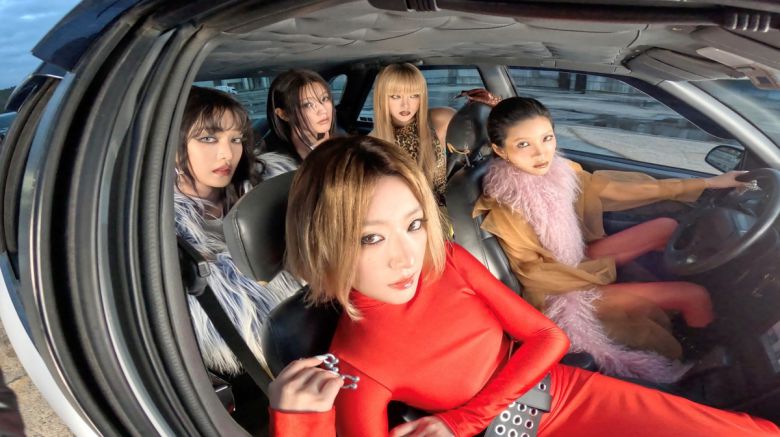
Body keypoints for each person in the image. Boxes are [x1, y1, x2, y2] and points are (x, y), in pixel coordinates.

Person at [269, 135, 778, 437]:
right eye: (371, 237)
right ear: (324, 241)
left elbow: (549, 338)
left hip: (568, 391)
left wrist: (464, 420)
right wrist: (294, 421)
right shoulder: (355, 366)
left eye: (414, 224)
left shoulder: (447, 260)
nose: (406, 257)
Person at [473, 96, 747, 382]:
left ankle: (670, 302)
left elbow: (617, 189)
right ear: (500, 150)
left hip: (574, 262)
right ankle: (702, 361)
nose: (541, 153)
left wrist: (709, 183)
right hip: (559, 292)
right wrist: (598, 274)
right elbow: (534, 275)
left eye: (547, 138)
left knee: (665, 227)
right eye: (523, 145)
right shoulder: (508, 203)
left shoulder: (560, 172)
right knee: (694, 295)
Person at [174, 86, 297, 375]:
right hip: (244, 366)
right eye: (208, 138)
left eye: (236, 139)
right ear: (173, 146)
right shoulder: (157, 225)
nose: (227, 153)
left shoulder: (270, 187)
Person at [369, 63, 449, 203]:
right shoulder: (371, 144)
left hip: (447, 210)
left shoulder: (439, 120)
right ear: (382, 98)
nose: (405, 105)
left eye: (413, 96)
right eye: (396, 96)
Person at [261, 69, 337, 178]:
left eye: (324, 99)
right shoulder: (273, 166)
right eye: (308, 104)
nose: (323, 110)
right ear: (283, 114)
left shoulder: (343, 146)